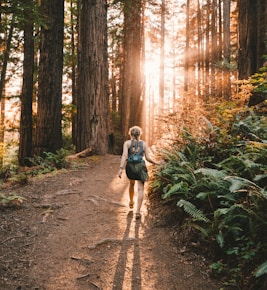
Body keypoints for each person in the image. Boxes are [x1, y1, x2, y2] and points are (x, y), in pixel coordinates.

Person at [118, 126, 158, 219]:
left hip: (130, 167)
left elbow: (124, 155)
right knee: (140, 188)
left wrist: (120, 168)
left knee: (131, 184)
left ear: (130, 134)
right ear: (140, 134)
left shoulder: (127, 143)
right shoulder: (144, 144)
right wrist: (156, 163)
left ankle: (131, 201)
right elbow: (147, 158)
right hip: (140, 167)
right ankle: (138, 212)